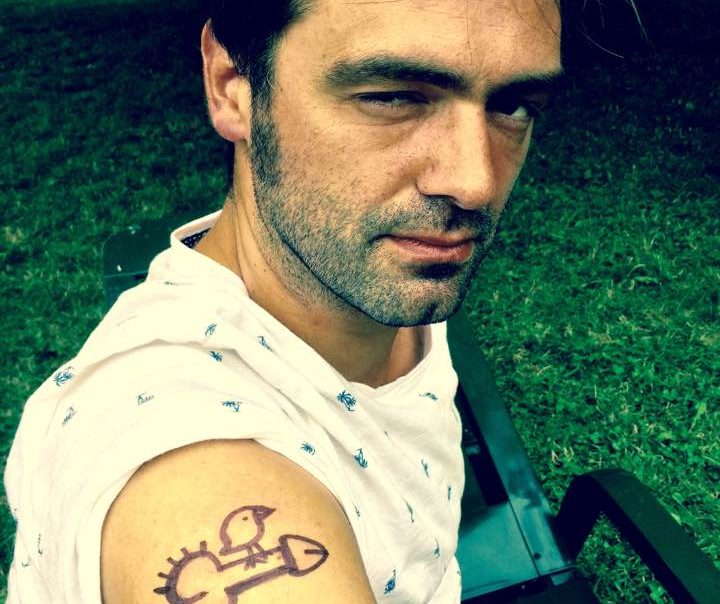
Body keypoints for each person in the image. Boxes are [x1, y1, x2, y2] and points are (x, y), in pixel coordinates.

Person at [4, 0, 562, 602]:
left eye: (513, 104)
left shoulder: (375, 272)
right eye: (392, 96)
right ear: (231, 86)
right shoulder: (174, 444)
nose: (475, 182)